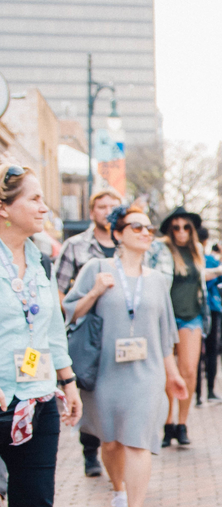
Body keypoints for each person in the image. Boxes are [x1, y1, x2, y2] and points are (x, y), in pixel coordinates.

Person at [64, 205, 188, 507]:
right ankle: (117, 490)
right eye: (136, 227)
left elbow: (166, 333)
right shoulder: (96, 269)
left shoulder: (158, 281)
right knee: (111, 441)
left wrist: (172, 374)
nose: (145, 233)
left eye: (148, 228)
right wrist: (94, 292)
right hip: (106, 371)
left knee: (138, 441)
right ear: (118, 234)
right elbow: (68, 312)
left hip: (146, 374)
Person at [0, 164, 82, 507]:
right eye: (33, 199)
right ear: (4, 209)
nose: (44, 207)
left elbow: (50, 331)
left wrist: (66, 381)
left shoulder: (43, 261)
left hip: (36, 400)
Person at [55, 184, 122, 477]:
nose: (107, 212)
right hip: (88, 331)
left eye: (112, 207)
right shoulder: (76, 246)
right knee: (91, 391)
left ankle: (117, 450)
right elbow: (59, 292)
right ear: (92, 211)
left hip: (121, 331)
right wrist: (76, 314)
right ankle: (90, 452)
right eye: (101, 207)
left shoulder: (127, 244)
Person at [154, 210, 210, 447]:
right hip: (167, 316)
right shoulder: (161, 250)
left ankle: (182, 423)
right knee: (169, 373)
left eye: (186, 227)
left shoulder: (197, 252)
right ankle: (168, 423)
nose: (181, 232)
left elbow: (201, 283)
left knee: (189, 371)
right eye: (176, 227)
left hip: (192, 317)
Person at [195, 230, 222, 407]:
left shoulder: (197, 260)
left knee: (199, 354)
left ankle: (200, 394)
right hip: (208, 309)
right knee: (211, 351)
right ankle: (209, 391)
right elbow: (219, 276)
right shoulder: (209, 261)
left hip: (201, 310)